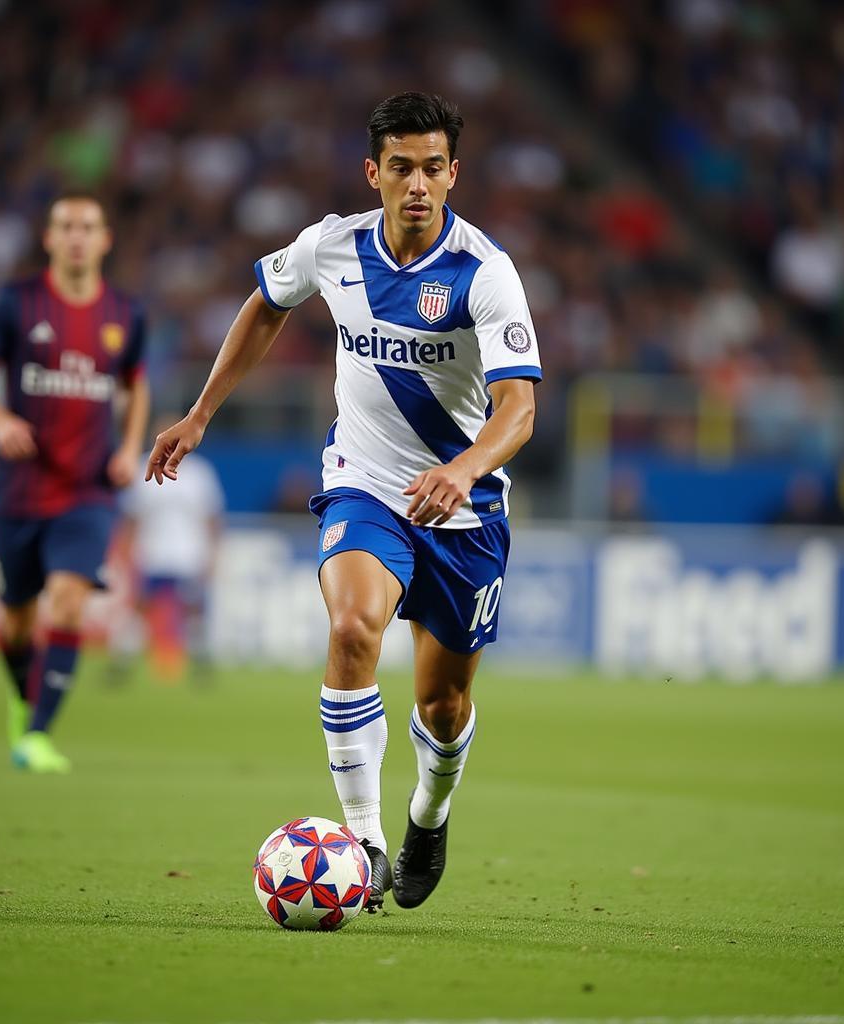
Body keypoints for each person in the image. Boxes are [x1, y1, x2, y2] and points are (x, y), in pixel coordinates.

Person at [146, 93, 540, 912]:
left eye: (434, 167)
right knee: (353, 626)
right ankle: (363, 841)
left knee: (444, 701)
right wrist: (200, 411)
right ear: (375, 173)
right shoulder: (333, 245)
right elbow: (265, 304)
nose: (419, 184)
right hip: (365, 482)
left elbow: (520, 410)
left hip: (465, 514)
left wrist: (464, 470)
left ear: (453, 173)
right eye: (402, 168)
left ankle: (428, 815)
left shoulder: (484, 270)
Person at [0, 193, 150, 774]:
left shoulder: (124, 313)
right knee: (16, 617)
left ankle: (37, 734)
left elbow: (136, 384)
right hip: (18, 490)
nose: (76, 237)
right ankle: (23, 702)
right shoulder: (17, 304)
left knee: (67, 604)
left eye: (87, 227)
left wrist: (128, 444)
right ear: (48, 238)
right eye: (65, 226)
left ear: (104, 239)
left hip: (88, 491)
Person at [111, 413, 225, 682]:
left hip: (189, 555)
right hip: (152, 554)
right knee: (140, 607)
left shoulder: (199, 473)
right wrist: (125, 553)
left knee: (193, 610)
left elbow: (212, 519)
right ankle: (122, 662)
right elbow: (131, 519)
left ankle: (200, 664)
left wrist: (213, 554)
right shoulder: (142, 470)